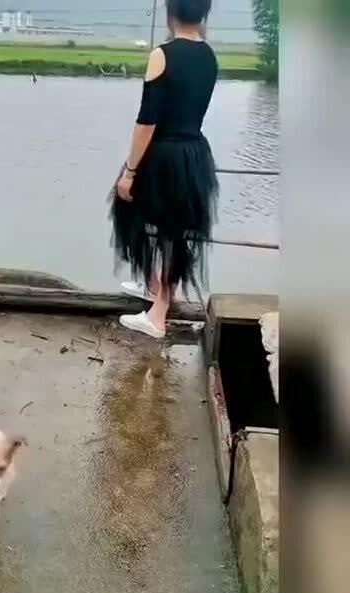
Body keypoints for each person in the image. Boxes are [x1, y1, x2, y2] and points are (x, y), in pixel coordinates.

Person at [110, 0, 218, 339]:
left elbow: (147, 120)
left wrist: (130, 171)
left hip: (164, 154)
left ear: (171, 13)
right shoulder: (209, 55)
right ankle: (154, 286)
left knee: (131, 205)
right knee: (173, 230)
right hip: (193, 153)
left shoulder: (163, 54)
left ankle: (158, 313)